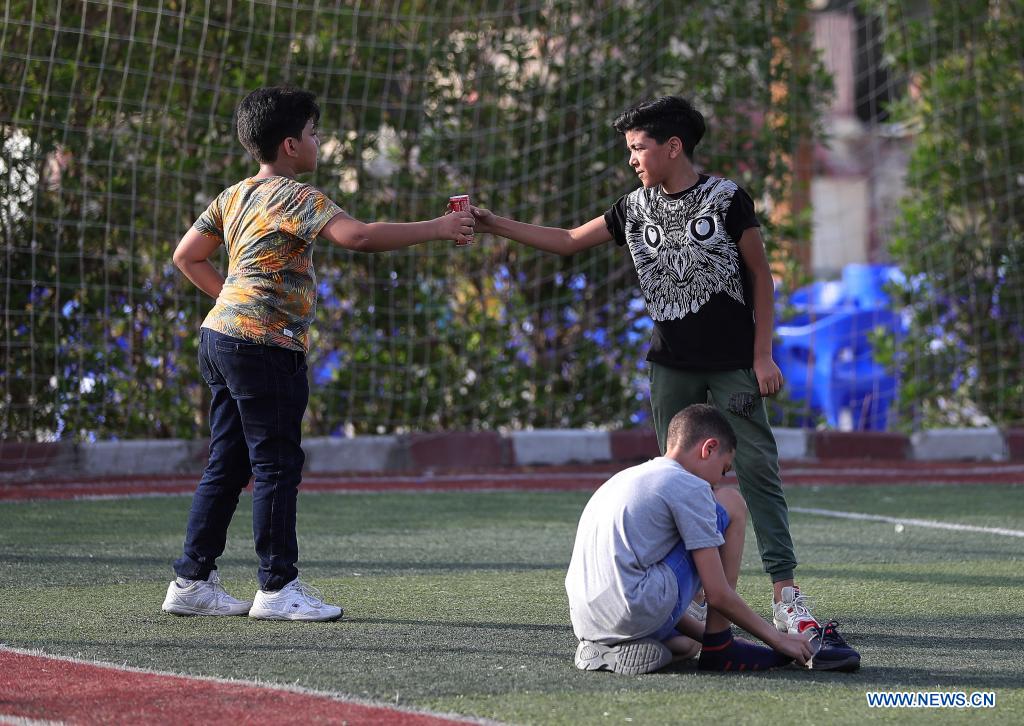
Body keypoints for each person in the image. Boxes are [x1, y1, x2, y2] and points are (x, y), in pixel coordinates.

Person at [472, 96, 859, 668]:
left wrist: (762, 356)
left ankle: (786, 597)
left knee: (756, 471)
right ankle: (695, 600)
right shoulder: (632, 207)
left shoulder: (728, 199)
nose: (632, 159)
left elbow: (761, 275)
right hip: (670, 368)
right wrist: (493, 224)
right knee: (678, 481)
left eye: (638, 147)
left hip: (732, 365)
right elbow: (569, 241)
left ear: (672, 146)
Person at [162, 86, 474, 621]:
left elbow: (186, 255)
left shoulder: (231, 196)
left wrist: (235, 299)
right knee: (276, 464)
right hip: (263, 345)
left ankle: (192, 581)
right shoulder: (297, 196)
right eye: (313, 132)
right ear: (289, 145)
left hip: (219, 336)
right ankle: (277, 587)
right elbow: (358, 237)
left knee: (228, 462)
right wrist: (439, 228)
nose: (319, 140)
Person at [567, 404, 819, 674]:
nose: (718, 481)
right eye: (723, 469)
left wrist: (704, 636)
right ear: (708, 448)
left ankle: (609, 650)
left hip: (587, 622)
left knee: (689, 645)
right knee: (731, 503)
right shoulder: (689, 485)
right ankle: (720, 645)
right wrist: (778, 640)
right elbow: (718, 594)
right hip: (635, 609)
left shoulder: (624, 479)